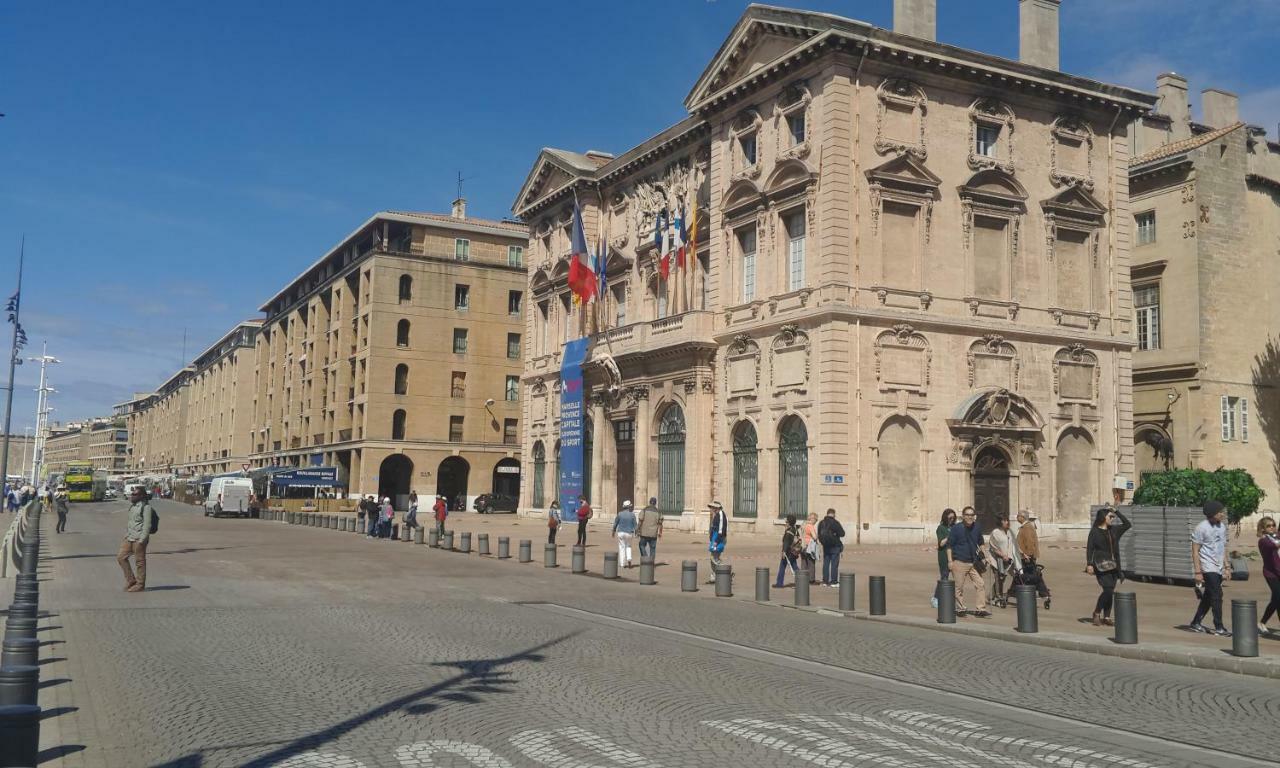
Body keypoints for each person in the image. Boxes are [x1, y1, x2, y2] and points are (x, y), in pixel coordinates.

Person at [1189, 500, 1231, 636]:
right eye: (1220, 512)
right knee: (1217, 595)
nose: (1223, 514)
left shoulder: (1222, 527)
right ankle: (1219, 627)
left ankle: (1195, 622)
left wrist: (1227, 566)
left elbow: (1223, 547)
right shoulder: (1201, 528)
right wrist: (1198, 572)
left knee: (1208, 596)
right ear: (1213, 514)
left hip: (1218, 567)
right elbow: (1195, 551)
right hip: (1208, 567)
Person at [1085, 505, 1131, 627]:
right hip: (1100, 565)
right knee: (1108, 590)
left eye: (1113, 516)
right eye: (1110, 516)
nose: (1112, 518)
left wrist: (1116, 511)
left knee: (1110, 592)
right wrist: (1089, 564)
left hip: (1114, 565)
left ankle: (1107, 617)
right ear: (1103, 517)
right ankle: (1096, 613)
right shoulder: (1094, 531)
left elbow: (1127, 524)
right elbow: (1090, 548)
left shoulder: (1114, 530)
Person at [947, 506, 990, 617]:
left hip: (974, 562)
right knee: (959, 587)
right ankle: (960, 608)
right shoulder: (956, 528)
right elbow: (949, 546)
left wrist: (986, 555)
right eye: (967, 515)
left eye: (971, 515)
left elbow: (981, 543)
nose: (969, 517)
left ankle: (980, 609)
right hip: (959, 561)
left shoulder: (977, 527)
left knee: (980, 584)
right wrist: (950, 561)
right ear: (963, 516)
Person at [117, 486, 156, 592]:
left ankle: (140, 584)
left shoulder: (146, 507)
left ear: (141, 496)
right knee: (121, 557)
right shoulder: (133, 506)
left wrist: (142, 540)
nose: (131, 496)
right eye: (132, 494)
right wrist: (127, 535)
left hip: (139, 538)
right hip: (129, 537)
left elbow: (147, 525)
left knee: (140, 562)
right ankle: (131, 580)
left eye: (134, 494)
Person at [1016, 511, 1051, 609]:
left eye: (1018, 515)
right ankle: (1042, 593)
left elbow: (1030, 543)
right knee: (1030, 575)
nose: (1017, 517)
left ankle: (1042, 593)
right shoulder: (1025, 527)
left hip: (1027, 557)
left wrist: (1028, 555)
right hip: (1025, 556)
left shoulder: (1027, 527)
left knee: (1031, 576)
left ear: (1022, 517)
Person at [986, 515, 1019, 608]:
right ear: (1000, 522)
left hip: (1008, 559)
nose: (1007, 522)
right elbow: (993, 547)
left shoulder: (1009, 532)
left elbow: (1013, 544)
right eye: (1004, 520)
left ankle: (990, 596)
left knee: (1002, 578)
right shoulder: (995, 533)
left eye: (1007, 520)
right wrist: (1002, 555)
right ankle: (998, 597)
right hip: (997, 560)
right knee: (998, 578)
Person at [1257, 516, 1279, 634]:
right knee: (1278, 598)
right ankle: (1262, 622)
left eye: (1273, 525)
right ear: (1263, 528)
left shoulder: (1276, 537)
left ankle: (1262, 622)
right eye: (1268, 526)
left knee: (1275, 599)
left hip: (1279, 572)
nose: (1272, 528)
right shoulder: (1263, 540)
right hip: (1271, 573)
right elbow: (1273, 546)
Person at [932, 508, 957, 609]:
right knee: (944, 577)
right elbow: (941, 543)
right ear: (945, 517)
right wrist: (949, 536)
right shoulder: (941, 528)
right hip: (944, 556)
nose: (951, 519)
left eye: (953, 518)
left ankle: (952, 599)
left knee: (958, 579)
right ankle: (936, 597)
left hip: (955, 555)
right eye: (950, 517)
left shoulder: (955, 527)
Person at [816, 508, 845, 587]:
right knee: (834, 564)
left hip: (826, 546)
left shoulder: (821, 523)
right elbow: (842, 533)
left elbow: (819, 534)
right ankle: (834, 581)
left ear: (827, 513)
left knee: (826, 563)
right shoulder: (835, 523)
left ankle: (825, 581)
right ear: (834, 514)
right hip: (835, 546)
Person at [773, 514, 802, 588]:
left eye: (786, 521)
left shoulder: (788, 532)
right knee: (794, 566)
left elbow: (786, 542)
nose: (785, 522)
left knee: (782, 566)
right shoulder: (795, 530)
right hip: (794, 552)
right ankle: (802, 580)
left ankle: (779, 583)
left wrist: (784, 552)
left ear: (788, 522)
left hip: (788, 552)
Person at [707, 500, 728, 584]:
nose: (711, 509)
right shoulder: (716, 515)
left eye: (712, 507)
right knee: (713, 557)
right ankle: (714, 576)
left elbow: (721, 530)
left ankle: (724, 572)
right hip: (715, 538)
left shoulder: (721, 515)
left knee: (714, 558)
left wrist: (716, 541)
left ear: (716, 508)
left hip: (719, 539)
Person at [613, 500, 638, 568]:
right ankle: (629, 559)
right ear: (629, 507)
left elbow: (615, 523)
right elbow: (635, 525)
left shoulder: (620, 514)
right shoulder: (632, 515)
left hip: (621, 532)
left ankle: (622, 564)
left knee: (622, 547)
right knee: (628, 546)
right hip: (629, 533)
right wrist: (636, 532)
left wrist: (613, 531)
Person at [800, 512, 820, 585]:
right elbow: (814, 537)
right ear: (813, 519)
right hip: (809, 547)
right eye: (816, 520)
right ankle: (811, 580)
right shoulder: (810, 526)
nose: (816, 522)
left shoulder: (803, 524)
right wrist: (817, 537)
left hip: (803, 546)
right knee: (811, 563)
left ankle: (803, 578)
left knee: (804, 563)